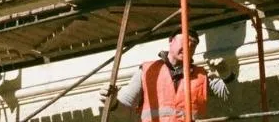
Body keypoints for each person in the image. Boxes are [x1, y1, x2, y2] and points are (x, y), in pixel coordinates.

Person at [100, 28, 234, 119]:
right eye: (184, 41)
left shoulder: (201, 75)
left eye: (193, 45)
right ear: (171, 41)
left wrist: (226, 74)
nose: (188, 46)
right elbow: (125, 110)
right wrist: (112, 103)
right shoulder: (147, 71)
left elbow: (230, 96)